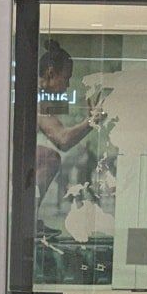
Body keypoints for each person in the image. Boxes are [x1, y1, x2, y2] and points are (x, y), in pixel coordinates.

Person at [35, 41, 102, 201]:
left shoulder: (42, 99)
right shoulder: (35, 98)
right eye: (66, 78)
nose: (68, 85)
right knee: (49, 158)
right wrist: (92, 121)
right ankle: (30, 213)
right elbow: (63, 140)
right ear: (51, 74)